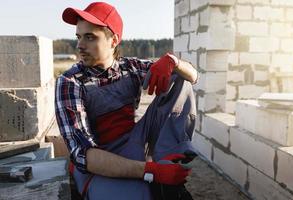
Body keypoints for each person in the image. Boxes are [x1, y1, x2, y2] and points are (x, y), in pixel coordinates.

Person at [55, 2, 198, 200]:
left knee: (179, 79)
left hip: (134, 142)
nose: (80, 45)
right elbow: (84, 155)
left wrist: (173, 61)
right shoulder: (70, 83)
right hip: (98, 163)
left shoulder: (130, 68)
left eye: (90, 37)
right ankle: (157, 174)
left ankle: (167, 159)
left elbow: (193, 76)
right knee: (140, 196)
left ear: (113, 40)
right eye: (78, 37)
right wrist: (151, 171)